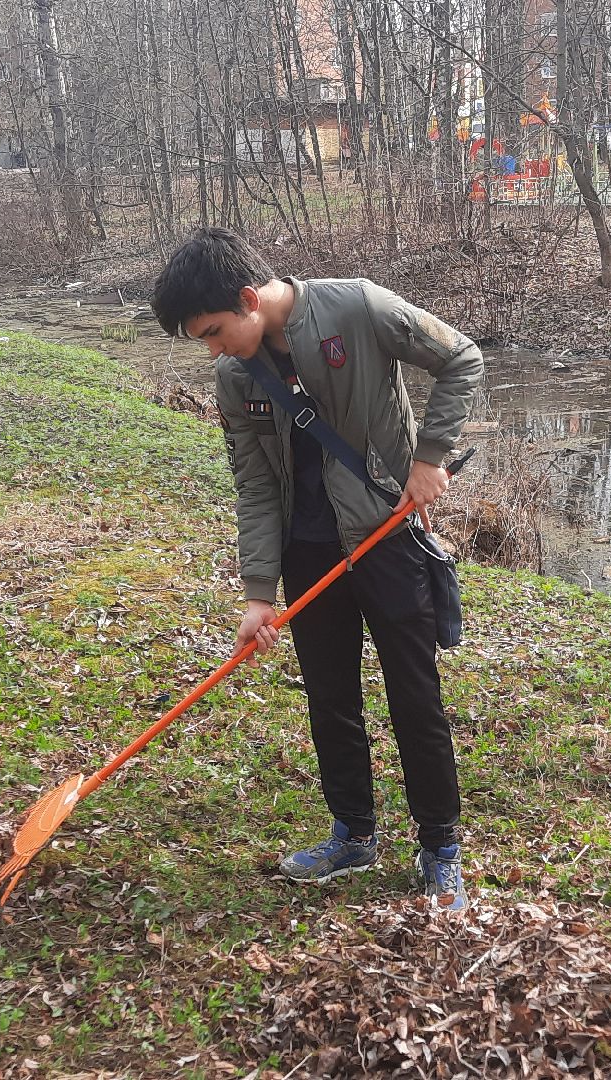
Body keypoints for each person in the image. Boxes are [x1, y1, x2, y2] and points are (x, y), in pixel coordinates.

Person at [150, 227, 483, 911]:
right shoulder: (233, 376)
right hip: (308, 555)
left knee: (414, 698)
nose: (212, 350)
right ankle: (354, 834)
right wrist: (257, 593)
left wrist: (431, 457)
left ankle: (440, 847)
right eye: (201, 341)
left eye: (213, 331)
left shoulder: (357, 308)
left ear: (248, 298)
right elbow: (254, 485)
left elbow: (462, 359)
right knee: (331, 700)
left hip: (387, 538)